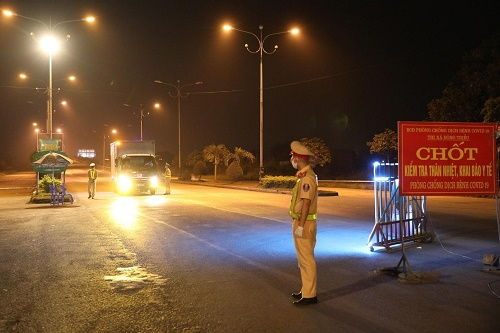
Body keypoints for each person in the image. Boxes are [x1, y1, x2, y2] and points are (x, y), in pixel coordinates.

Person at [289, 141, 319, 306]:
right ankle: (305, 289)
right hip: (303, 222)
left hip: (305, 223)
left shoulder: (307, 178)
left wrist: (300, 226)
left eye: (293, 156)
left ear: (298, 158)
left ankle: (310, 295)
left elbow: (306, 203)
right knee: (303, 259)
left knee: (306, 260)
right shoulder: (306, 175)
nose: (292, 159)